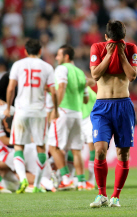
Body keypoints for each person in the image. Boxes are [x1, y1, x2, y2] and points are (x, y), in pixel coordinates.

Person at [89, 20, 137, 207]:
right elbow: (95, 75)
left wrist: (121, 53)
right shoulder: (97, 48)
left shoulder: (131, 48)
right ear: (106, 38)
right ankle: (101, 194)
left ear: (123, 39)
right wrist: (109, 55)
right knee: (100, 150)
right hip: (102, 106)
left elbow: (132, 76)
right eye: (113, 42)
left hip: (123, 105)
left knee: (123, 154)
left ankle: (115, 197)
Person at [4, 39, 58, 193]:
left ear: (26, 51)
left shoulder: (18, 65)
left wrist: (8, 107)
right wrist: (55, 109)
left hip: (21, 110)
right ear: (40, 51)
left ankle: (22, 180)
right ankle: (37, 184)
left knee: (18, 146)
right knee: (41, 147)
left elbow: (10, 88)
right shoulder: (47, 67)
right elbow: (53, 91)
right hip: (39, 112)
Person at [47, 45, 89, 191]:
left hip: (64, 111)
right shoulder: (80, 73)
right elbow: (85, 98)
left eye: (59, 55)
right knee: (76, 150)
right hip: (77, 114)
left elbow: (62, 87)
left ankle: (66, 179)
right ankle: (82, 182)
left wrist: (55, 109)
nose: (57, 58)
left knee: (53, 146)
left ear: (66, 57)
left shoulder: (61, 69)